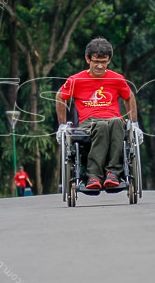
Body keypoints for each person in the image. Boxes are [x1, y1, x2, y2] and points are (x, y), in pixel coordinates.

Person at [55, 37, 142, 190]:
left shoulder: (117, 79)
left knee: (117, 122)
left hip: (113, 119)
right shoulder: (76, 80)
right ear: (88, 59)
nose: (100, 66)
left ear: (109, 61)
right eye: (96, 61)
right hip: (89, 122)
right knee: (102, 125)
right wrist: (62, 125)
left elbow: (130, 97)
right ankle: (93, 175)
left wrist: (134, 123)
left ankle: (113, 173)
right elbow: (60, 96)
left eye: (104, 62)